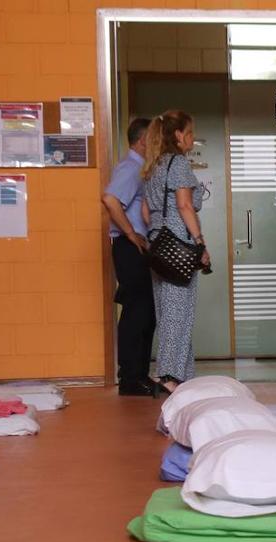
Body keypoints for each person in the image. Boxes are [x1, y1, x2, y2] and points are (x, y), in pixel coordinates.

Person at [140, 110, 210, 393]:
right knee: (178, 313)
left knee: (168, 310)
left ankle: (183, 374)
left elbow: (146, 211)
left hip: (158, 243)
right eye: (190, 132)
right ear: (179, 135)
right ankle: (169, 375)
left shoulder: (153, 166)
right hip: (179, 241)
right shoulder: (178, 164)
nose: (192, 138)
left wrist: (159, 231)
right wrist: (199, 242)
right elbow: (184, 205)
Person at [101, 117, 155, 397]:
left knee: (146, 313)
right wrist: (132, 233)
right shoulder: (131, 168)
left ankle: (140, 374)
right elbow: (110, 199)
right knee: (137, 312)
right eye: (155, 138)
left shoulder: (140, 168)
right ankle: (130, 378)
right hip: (128, 246)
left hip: (137, 248)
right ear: (144, 140)